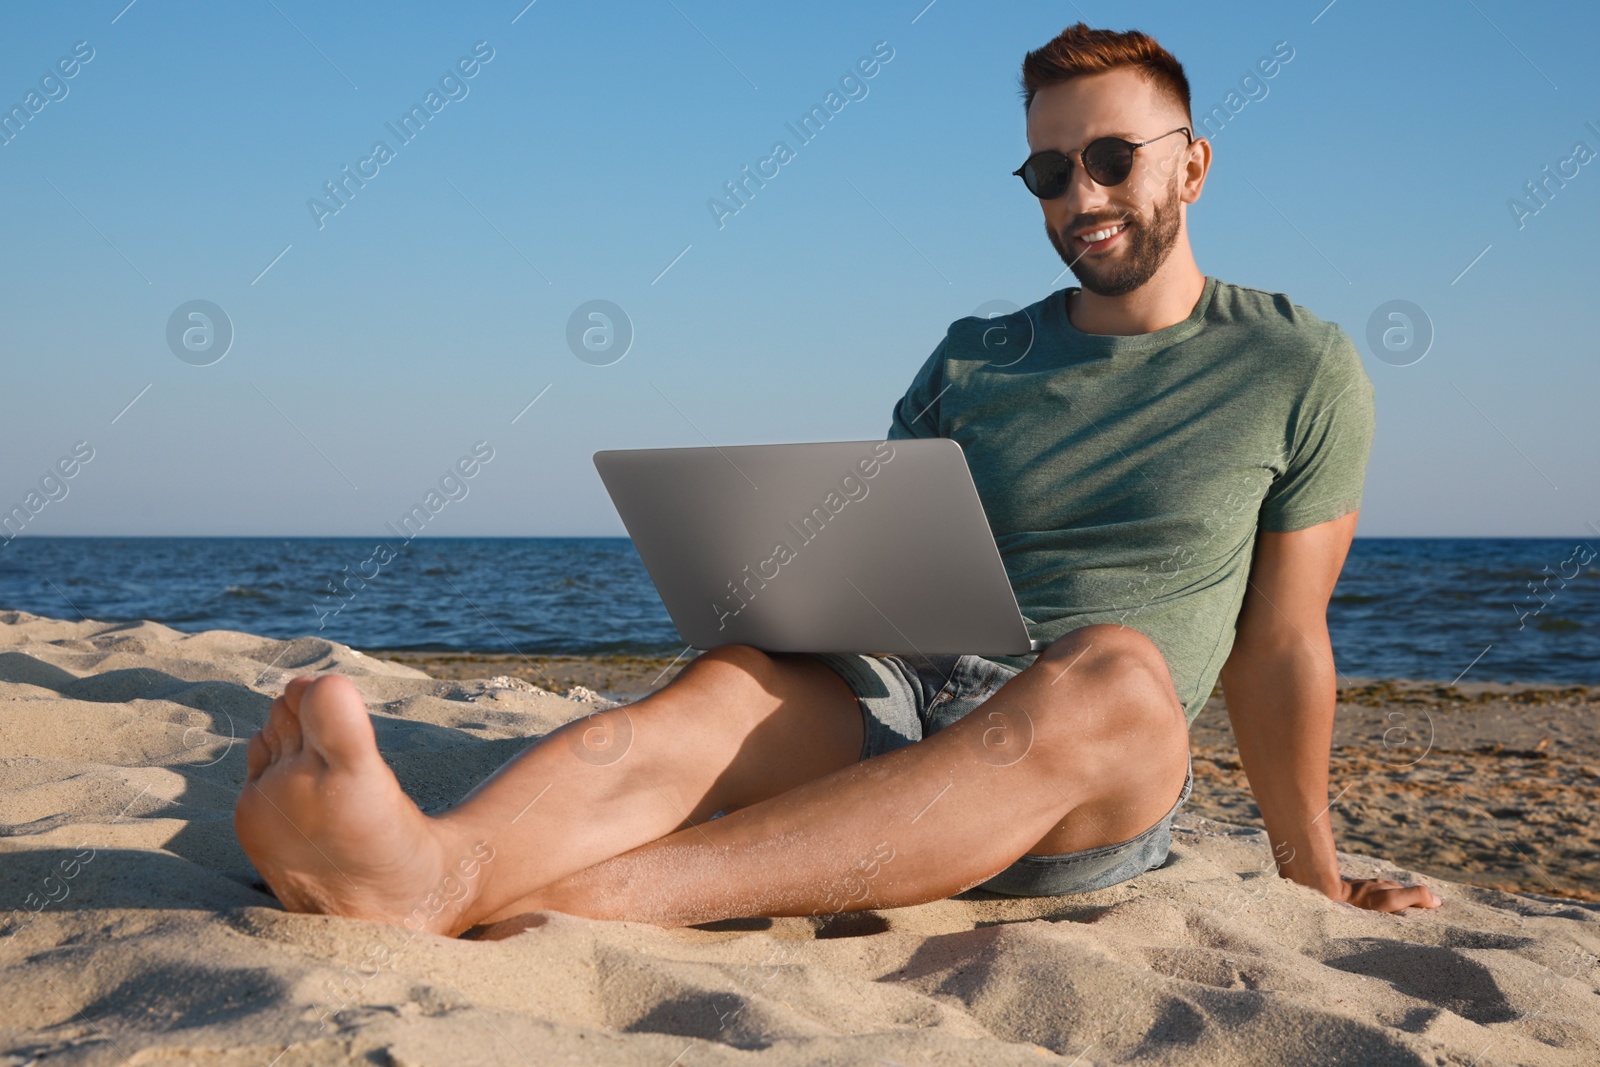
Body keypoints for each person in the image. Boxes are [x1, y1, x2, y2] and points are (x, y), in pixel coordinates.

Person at [234, 22, 1440, 937]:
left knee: (1118, 668)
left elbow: (1280, 645)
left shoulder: (1297, 361)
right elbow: (887, 559)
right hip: (908, 695)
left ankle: (593, 897)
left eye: (1114, 158)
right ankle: (430, 871)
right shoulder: (975, 354)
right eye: (1048, 172)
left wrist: (1312, 874)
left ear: (1194, 166)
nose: (1081, 197)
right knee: (731, 680)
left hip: (1086, 767)